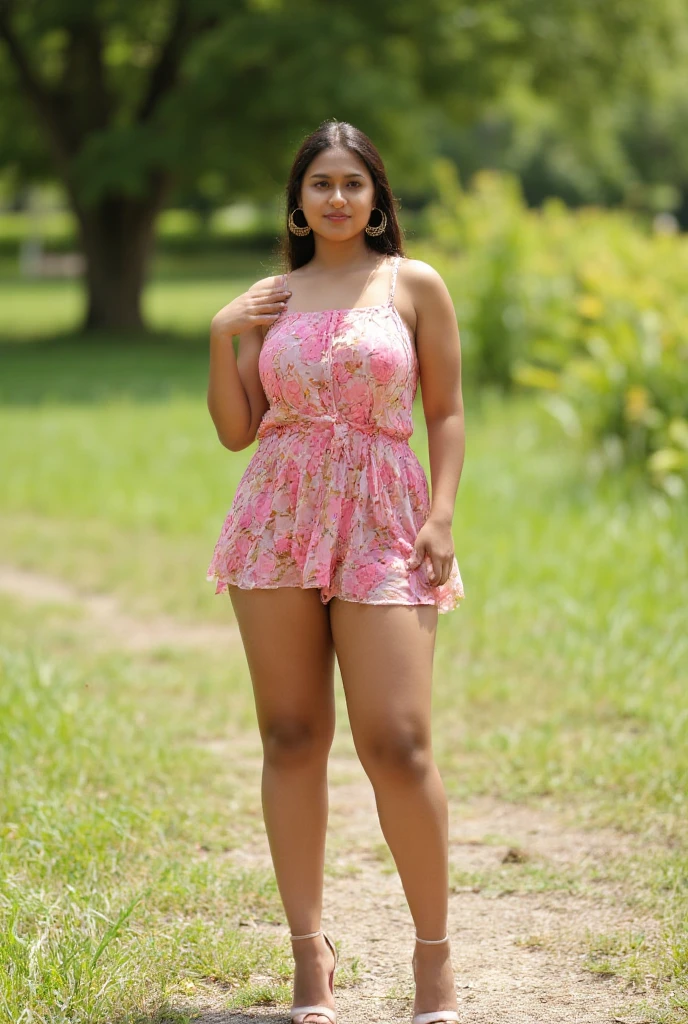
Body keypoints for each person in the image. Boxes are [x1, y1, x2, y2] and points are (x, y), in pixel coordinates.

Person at [206, 119, 465, 1024]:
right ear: (299, 201)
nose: (339, 198)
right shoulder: (273, 297)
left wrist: (440, 515)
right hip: (278, 516)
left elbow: (447, 412)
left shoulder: (414, 285)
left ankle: (434, 961)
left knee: (397, 740)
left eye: (354, 182)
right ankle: (308, 958)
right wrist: (222, 335)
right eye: (322, 183)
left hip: (388, 518)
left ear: (378, 197)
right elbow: (239, 432)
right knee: (289, 734)